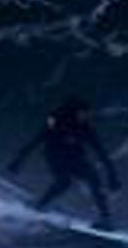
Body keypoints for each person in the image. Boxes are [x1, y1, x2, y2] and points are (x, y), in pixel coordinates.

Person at [8, 94, 120, 224]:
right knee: (64, 181)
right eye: (84, 113)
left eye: (88, 114)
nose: (87, 116)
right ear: (76, 112)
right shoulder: (56, 121)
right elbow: (37, 139)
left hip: (75, 156)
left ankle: (105, 219)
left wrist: (113, 176)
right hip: (55, 155)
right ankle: (39, 206)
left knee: (93, 178)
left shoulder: (86, 127)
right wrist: (18, 160)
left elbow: (101, 152)